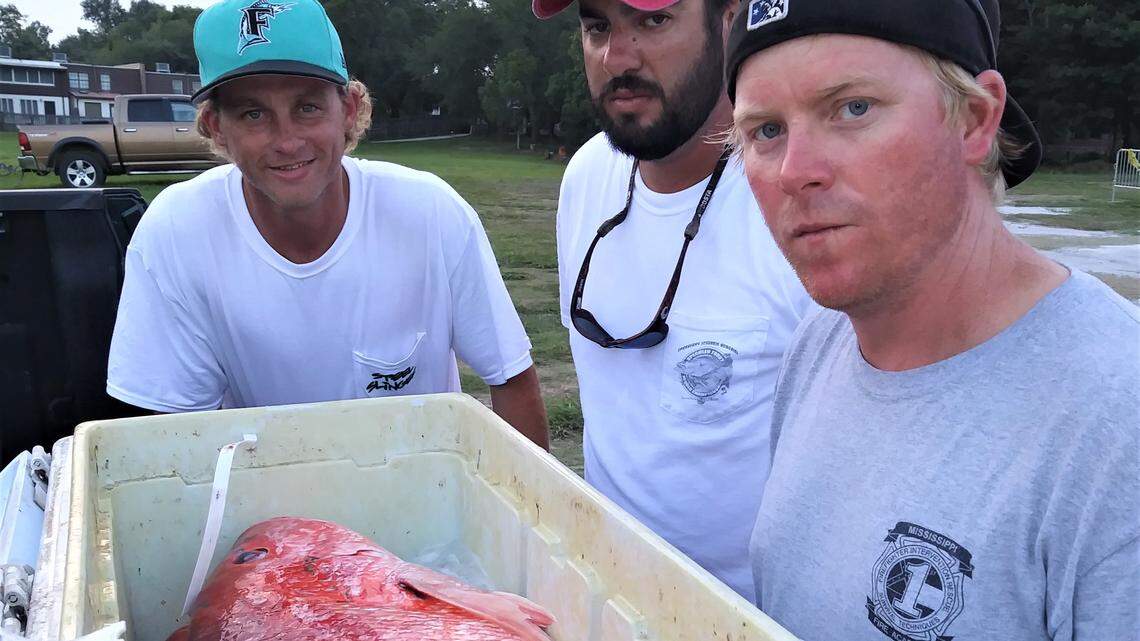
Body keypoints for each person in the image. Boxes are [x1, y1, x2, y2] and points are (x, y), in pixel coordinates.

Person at [724, 0, 1139, 638]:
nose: (795, 172)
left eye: (852, 108)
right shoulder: (819, 346)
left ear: (975, 119)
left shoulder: (1114, 423)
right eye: (765, 131)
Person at [107, 0, 549, 449]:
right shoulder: (176, 233)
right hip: (265, 503)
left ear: (349, 109)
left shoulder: (431, 213)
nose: (287, 141)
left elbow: (509, 375)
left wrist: (531, 514)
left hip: (420, 492)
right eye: (253, 114)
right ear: (215, 127)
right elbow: (174, 434)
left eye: (307, 107)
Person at [532, 0, 811, 599]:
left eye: (653, 21)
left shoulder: (796, 201)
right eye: (597, 26)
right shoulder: (585, 176)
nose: (617, 58)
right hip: (601, 594)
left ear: (728, 19)